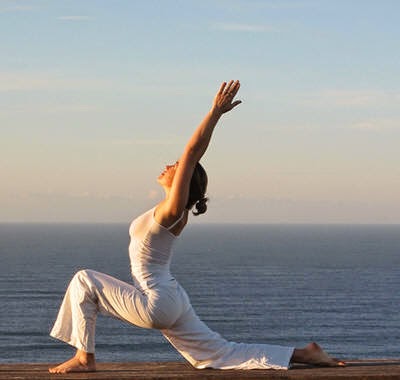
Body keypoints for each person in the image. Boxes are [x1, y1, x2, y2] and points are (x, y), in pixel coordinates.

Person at [49, 80, 345, 373]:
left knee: (83, 280)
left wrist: (215, 112)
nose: (168, 165)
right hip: (171, 296)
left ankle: (85, 359)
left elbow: (191, 152)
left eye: (175, 166)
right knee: (217, 353)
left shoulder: (171, 211)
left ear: (183, 181)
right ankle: (304, 354)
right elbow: (187, 159)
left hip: (156, 300)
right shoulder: (169, 213)